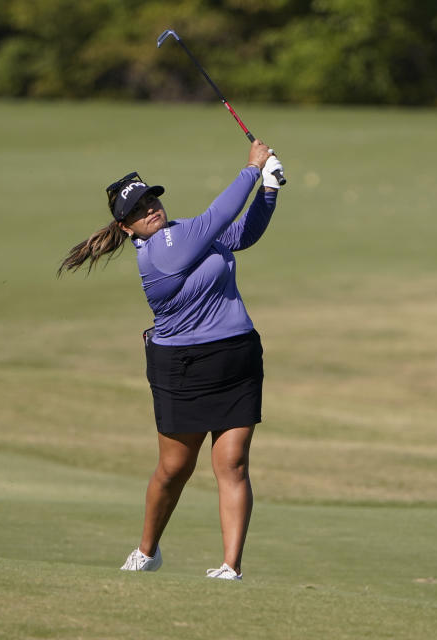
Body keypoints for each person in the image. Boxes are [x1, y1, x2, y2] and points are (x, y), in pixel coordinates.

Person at [58, 140, 284, 580]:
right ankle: (148, 550)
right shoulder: (161, 251)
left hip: (237, 354)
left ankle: (230, 567)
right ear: (126, 227)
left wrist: (269, 190)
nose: (150, 209)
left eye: (151, 199)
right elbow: (220, 216)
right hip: (182, 366)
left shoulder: (182, 232)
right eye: (138, 209)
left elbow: (242, 233)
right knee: (175, 467)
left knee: (233, 463)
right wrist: (253, 168)